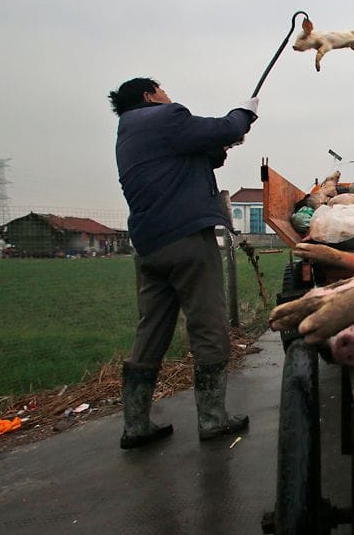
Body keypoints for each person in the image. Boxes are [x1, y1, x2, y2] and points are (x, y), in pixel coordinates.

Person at [108, 77, 258, 449]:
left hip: (149, 246)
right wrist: (245, 115)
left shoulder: (128, 133)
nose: (169, 96)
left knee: (151, 330)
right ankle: (212, 418)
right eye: (163, 91)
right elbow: (222, 127)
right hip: (187, 239)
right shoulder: (165, 117)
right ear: (149, 96)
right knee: (208, 325)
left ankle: (136, 424)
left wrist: (222, 145)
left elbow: (200, 153)